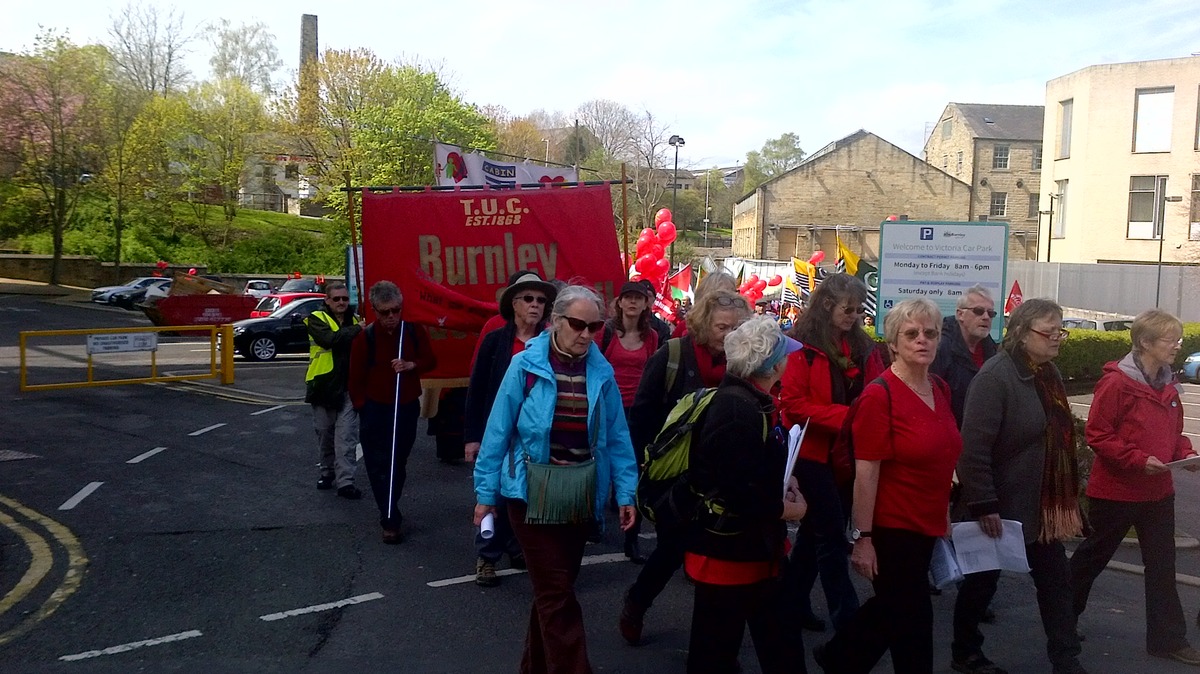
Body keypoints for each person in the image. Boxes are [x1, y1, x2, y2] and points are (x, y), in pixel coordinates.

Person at [472, 285, 638, 674]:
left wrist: (627, 491)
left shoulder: (601, 371)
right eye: (578, 325)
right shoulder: (525, 366)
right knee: (557, 594)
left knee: (554, 592)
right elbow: (497, 432)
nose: (586, 334)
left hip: (580, 493)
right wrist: (485, 495)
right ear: (556, 322)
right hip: (527, 494)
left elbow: (617, 436)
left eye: (594, 327)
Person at [813, 299, 961, 674]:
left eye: (930, 333)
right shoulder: (881, 395)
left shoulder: (940, 388)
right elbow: (867, 473)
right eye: (911, 334)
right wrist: (863, 538)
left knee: (890, 613)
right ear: (893, 343)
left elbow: (943, 455)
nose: (922, 340)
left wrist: (943, 511)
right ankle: (840, 658)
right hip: (892, 529)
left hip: (925, 525)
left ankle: (839, 658)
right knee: (913, 624)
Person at [951, 299, 1087, 674]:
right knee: (981, 585)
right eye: (1050, 332)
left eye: (1062, 330)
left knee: (1056, 583)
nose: (1058, 338)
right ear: (1023, 334)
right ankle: (964, 651)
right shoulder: (995, 378)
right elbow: (972, 450)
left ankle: (1066, 658)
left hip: (1041, 507)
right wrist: (984, 503)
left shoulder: (1049, 373)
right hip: (1001, 506)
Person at [620, 288, 751, 645]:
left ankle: (716, 651)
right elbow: (642, 416)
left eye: (738, 328)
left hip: (721, 478)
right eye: (723, 327)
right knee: (672, 551)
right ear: (703, 324)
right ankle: (636, 602)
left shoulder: (744, 362)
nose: (730, 336)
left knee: (718, 563)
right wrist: (642, 468)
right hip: (675, 478)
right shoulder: (673, 355)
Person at [1070, 309, 1200, 666]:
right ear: (1145, 343)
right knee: (1092, 558)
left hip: (1158, 493)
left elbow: (1173, 435)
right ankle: (1061, 621)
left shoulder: (1168, 384)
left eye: (1177, 338)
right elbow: (1098, 434)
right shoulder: (1116, 383)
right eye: (1169, 339)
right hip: (1117, 491)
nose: (1177, 345)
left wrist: (1186, 454)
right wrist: (1137, 459)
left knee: (1162, 566)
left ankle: (1168, 640)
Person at [684, 316, 809, 674]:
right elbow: (737, 492)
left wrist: (785, 480)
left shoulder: (747, 401)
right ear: (771, 363)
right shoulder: (739, 410)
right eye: (784, 354)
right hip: (732, 553)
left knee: (761, 645)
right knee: (720, 651)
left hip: (746, 550)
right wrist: (787, 510)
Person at [778, 273, 884, 633]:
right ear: (827, 305)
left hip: (846, 454)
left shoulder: (864, 347)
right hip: (812, 454)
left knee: (813, 535)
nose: (853, 316)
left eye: (858, 310)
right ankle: (848, 624)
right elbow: (792, 404)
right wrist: (849, 418)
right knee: (832, 537)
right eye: (847, 309)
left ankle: (789, 604)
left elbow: (877, 392)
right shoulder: (799, 346)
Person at [464, 271, 558, 586]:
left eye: (541, 300)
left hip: (533, 438)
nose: (535, 305)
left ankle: (518, 548)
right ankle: (486, 557)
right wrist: (473, 437)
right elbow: (476, 390)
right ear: (514, 304)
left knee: (525, 497)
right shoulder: (495, 340)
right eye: (528, 299)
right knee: (490, 494)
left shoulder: (553, 344)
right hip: (498, 432)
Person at [348, 281, 436, 544]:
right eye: (385, 312)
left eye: (396, 311)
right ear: (374, 310)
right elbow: (355, 376)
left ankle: (391, 504)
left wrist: (411, 364)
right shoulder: (366, 337)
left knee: (398, 461)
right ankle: (389, 518)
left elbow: (431, 361)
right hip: (375, 408)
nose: (391, 317)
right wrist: (362, 406)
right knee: (377, 464)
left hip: (405, 404)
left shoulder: (413, 331)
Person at [598, 279, 662, 564]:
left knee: (634, 472)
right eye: (628, 298)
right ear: (620, 303)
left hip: (639, 411)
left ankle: (631, 538)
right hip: (608, 408)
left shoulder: (653, 336)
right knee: (600, 466)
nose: (633, 302)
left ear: (646, 303)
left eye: (639, 298)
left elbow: (655, 374)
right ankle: (592, 520)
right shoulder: (606, 333)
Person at [305, 281, 364, 499]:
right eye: (336, 299)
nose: (341, 302)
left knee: (346, 438)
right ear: (327, 300)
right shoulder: (316, 318)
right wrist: (359, 329)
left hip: (348, 388)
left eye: (345, 299)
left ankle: (346, 482)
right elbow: (329, 340)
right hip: (323, 387)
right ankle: (327, 472)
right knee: (325, 434)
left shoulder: (356, 320)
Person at [931, 284, 999, 427]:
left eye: (991, 313)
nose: (986, 317)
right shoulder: (940, 349)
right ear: (960, 314)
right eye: (978, 311)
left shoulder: (993, 351)